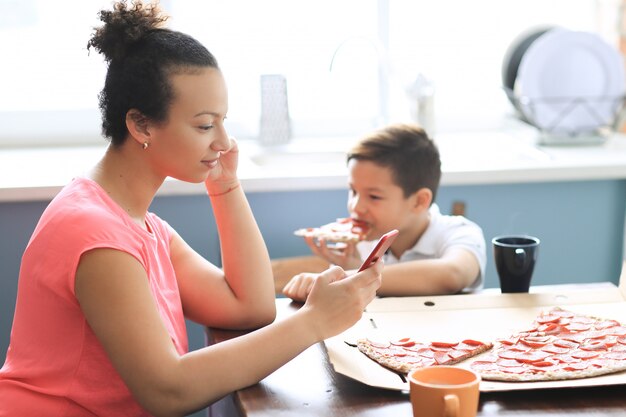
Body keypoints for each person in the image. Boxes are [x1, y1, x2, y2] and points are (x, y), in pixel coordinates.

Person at [0, 2, 382, 416]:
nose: (224, 141)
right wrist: (313, 322)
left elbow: (250, 306)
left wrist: (226, 186)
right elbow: (167, 392)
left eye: (223, 121)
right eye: (204, 125)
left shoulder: (141, 225)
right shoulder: (95, 235)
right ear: (141, 125)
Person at [282, 123, 485, 301]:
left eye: (374, 196)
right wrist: (354, 268)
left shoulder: (460, 231)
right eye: (353, 191)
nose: (355, 206)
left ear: (419, 201)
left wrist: (353, 276)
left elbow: (452, 274)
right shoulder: (360, 245)